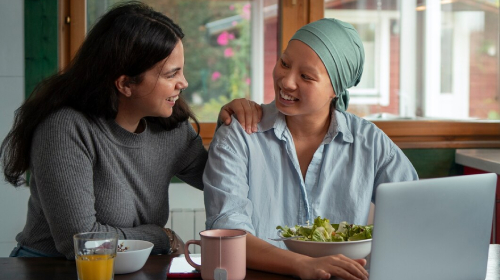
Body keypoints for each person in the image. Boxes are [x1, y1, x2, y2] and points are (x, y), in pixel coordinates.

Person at [0, 2, 261, 260]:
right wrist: (161, 237)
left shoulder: (169, 126)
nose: (184, 83)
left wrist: (229, 130)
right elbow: (81, 244)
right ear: (125, 84)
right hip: (49, 269)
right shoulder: (65, 129)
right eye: (172, 74)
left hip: (133, 266)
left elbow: (224, 180)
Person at [203, 18, 419, 280]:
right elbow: (228, 234)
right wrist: (302, 265)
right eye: (284, 63)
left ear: (335, 90)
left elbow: (415, 216)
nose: (287, 81)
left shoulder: (370, 142)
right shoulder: (239, 134)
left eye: (306, 76)